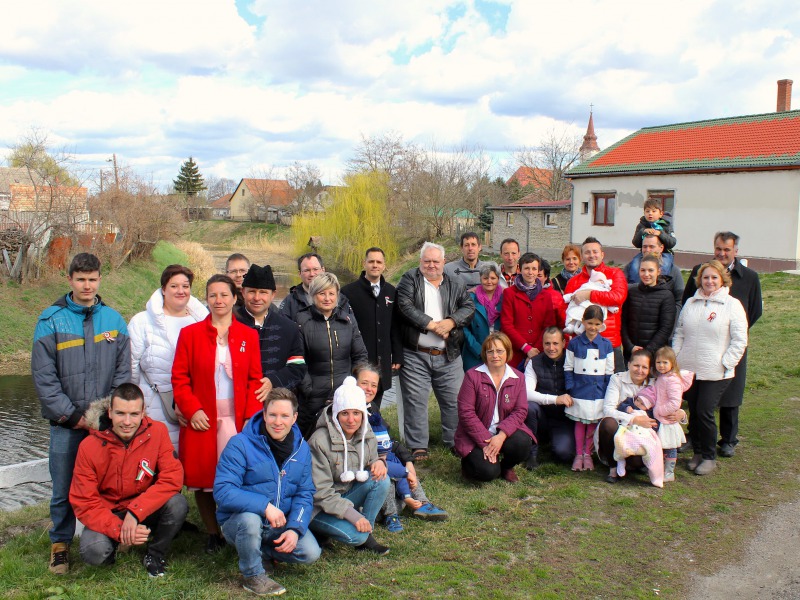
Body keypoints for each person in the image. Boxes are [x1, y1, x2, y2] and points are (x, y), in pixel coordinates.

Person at [32, 252, 131, 574]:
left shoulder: (114, 322)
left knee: (110, 484)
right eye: (80, 279)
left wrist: (106, 415)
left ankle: (109, 535)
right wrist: (73, 416)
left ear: (100, 279)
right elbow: (44, 378)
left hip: (104, 425)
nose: (87, 286)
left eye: (92, 279)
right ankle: (60, 544)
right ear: (70, 280)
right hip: (66, 424)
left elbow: (122, 374)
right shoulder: (51, 320)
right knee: (62, 488)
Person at [172, 274, 264, 553]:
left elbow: (255, 380)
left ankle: (236, 527)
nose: (219, 300)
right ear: (206, 299)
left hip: (237, 419)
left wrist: (251, 417)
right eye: (213, 295)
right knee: (205, 479)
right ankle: (212, 531)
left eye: (224, 295)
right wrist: (192, 408)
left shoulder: (248, 335)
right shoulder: (190, 334)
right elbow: (179, 377)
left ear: (235, 298)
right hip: (203, 418)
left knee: (239, 475)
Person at [69, 384, 187, 577]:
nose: (127, 421)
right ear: (110, 412)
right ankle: (121, 543)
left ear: (143, 413)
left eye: (133, 414)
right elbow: (84, 502)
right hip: (109, 513)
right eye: (120, 413)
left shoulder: (157, 432)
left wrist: (135, 513)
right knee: (94, 553)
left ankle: (155, 554)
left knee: (178, 504)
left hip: (143, 508)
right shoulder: (88, 446)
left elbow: (172, 478)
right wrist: (119, 530)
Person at [214, 388, 320, 597]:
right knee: (250, 522)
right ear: (264, 414)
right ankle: (253, 575)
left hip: (279, 523)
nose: (277, 422)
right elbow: (223, 491)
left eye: (284, 416)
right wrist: (264, 506)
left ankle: (260, 550)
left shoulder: (301, 449)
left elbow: (305, 492)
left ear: (294, 418)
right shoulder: (240, 444)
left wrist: (295, 528)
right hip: (240, 521)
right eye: (272, 415)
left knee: (310, 553)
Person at [682, 231, 762, 457]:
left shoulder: (749, 277)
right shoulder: (701, 270)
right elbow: (687, 301)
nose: (722, 253)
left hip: (731, 345)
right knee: (697, 395)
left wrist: (731, 335)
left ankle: (728, 439)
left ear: (736, 251)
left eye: (727, 249)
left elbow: (754, 311)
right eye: (718, 248)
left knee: (731, 393)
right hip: (700, 345)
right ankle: (694, 436)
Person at [396, 242, 475, 459]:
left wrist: (450, 322)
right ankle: (418, 445)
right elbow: (404, 306)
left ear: (443, 262)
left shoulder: (455, 283)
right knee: (416, 400)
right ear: (421, 261)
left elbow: (468, 307)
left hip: (448, 354)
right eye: (427, 261)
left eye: (436, 261)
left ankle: (454, 440)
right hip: (416, 353)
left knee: (454, 400)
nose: (431, 265)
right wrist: (433, 325)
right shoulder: (409, 279)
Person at [673, 260, 748, 475]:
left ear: (722, 279)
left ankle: (708, 456)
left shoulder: (732, 305)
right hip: (689, 368)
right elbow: (679, 332)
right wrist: (677, 357)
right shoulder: (691, 303)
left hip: (716, 371)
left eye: (714, 277)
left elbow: (739, 339)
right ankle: (697, 451)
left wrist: (726, 362)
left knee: (705, 410)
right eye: (705, 277)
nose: (709, 281)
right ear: (700, 280)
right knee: (694, 411)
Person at [354, 364, 448, 532]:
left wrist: (408, 460)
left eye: (374, 385)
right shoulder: (351, 414)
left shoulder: (372, 408)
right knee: (386, 475)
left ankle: (422, 503)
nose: (369, 389)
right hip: (364, 469)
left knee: (399, 465)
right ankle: (392, 513)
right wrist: (402, 470)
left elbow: (388, 440)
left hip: (381, 460)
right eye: (364, 383)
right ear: (353, 383)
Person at [308, 377, 391, 555]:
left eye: (356, 413)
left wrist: (379, 462)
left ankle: (366, 531)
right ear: (336, 414)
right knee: (356, 536)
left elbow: (372, 458)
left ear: (363, 413)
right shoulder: (319, 441)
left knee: (382, 481)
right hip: (319, 507)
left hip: (347, 494)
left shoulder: (366, 431)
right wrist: (353, 516)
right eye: (345, 413)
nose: (351, 420)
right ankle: (320, 530)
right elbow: (320, 492)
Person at [129, 264, 209, 450]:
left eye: (185, 286)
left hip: (195, 410)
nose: (180, 291)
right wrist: (135, 406)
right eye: (174, 286)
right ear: (163, 289)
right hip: (153, 408)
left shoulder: (203, 322)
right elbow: (130, 368)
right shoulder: (142, 322)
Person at [454, 332, 534, 483]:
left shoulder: (518, 377)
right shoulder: (472, 376)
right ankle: (469, 463)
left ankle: (506, 467)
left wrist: (501, 436)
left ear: (507, 352)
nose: (495, 355)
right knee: (488, 472)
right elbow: (466, 413)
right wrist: (487, 442)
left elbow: (521, 410)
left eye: (499, 351)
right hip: (476, 436)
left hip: (502, 433)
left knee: (522, 443)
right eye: (490, 351)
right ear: (485, 354)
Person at [296, 272, 368, 437]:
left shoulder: (347, 321)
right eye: (322, 293)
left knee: (344, 438)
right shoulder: (302, 322)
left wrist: (353, 386)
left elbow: (360, 355)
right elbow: (298, 360)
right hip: (312, 397)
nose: (327, 298)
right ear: (313, 295)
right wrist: (308, 389)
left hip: (343, 393)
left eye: (331, 293)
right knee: (310, 438)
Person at [340, 247, 403, 409]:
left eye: (379, 262)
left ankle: (375, 432)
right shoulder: (348, 292)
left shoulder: (391, 291)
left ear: (384, 265)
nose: (375, 265)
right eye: (371, 261)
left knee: (376, 405)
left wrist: (396, 355)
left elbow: (395, 326)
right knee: (355, 404)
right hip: (357, 361)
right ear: (364, 263)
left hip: (382, 360)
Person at [235, 264, 307, 395]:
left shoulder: (289, 327)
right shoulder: (229, 323)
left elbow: (297, 367)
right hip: (236, 399)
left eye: (263, 292)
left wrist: (273, 381)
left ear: (273, 295)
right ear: (243, 292)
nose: (257, 298)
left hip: (275, 401)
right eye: (252, 291)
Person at [564, 237, 628, 372]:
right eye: (587, 252)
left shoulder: (615, 274)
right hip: (582, 342)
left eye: (595, 252)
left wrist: (589, 294)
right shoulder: (574, 281)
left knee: (614, 387)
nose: (591, 255)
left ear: (602, 254)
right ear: (582, 256)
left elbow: (618, 298)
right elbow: (567, 311)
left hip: (609, 342)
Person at [596, 349, 659, 484]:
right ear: (629, 364)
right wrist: (633, 419)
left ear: (650, 369)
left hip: (640, 434)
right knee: (608, 423)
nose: (639, 370)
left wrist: (681, 413)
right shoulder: (617, 379)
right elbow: (608, 409)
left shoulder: (654, 384)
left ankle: (637, 463)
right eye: (636, 365)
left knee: (636, 463)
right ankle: (613, 467)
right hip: (618, 430)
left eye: (644, 367)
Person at [564, 305, 615, 472]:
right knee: (579, 423)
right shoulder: (575, 344)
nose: (593, 327)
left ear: (602, 324)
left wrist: (607, 392)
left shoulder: (606, 345)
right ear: (583, 322)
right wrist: (571, 387)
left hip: (597, 391)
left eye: (597, 324)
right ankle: (579, 454)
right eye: (589, 323)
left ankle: (588, 453)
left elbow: (609, 372)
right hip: (579, 390)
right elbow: (568, 367)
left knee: (592, 424)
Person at [635, 347, 693, 482]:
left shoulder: (673, 380)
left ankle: (669, 471)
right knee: (660, 444)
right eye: (658, 362)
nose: (661, 365)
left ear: (672, 363)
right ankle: (658, 467)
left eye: (665, 362)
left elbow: (675, 402)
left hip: (667, 419)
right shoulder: (662, 377)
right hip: (660, 418)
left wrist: (659, 410)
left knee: (670, 446)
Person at [524, 327, 575, 468]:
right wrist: (556, 399)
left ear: (564, 343)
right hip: (542, 417)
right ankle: (531, 454)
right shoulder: (534, 362)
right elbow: (527, 393)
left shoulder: (573, 361)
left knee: (564, 454)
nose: (551, 348)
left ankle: (554, 441)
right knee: (529, 406)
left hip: (564, 419)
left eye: (555, 343)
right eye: (547, 343)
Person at [500, 252, 558, 370]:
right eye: (526, 268)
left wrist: (534, 351)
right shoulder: (510, 293)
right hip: (515, 352)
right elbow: (507, 325)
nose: (530, 272)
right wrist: (526, 348)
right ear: (519, 270)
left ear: (538, 271)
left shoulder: (545, 296)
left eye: (534, 269)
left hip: (538, 352)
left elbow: (548, 326)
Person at [620, 253, 677, 362]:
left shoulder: (666, 296)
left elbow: (665, 328)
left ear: (658, 271)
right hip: (631, 353)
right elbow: (623, 322)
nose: (646, 274)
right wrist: (629, 346)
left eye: (651, 270)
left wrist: (648, 351)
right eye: (643, 270)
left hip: (654, 355)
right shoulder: (631, 292)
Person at [280, 253, 351, 321]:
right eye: (307, 270)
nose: (312, 274)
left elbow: (352, 328)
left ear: (323, 270)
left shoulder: (341, 300)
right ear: (300, 273)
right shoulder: (290, 302)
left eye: (315, 269)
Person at [623, 234, 684, 312]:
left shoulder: (673, 271)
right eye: (644, 246)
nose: (647, 250)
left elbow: (679, 300)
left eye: (651, 247)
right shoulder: (631, 268)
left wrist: (672, 319)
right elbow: (621, 289)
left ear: (661, 248)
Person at [462, 264, 503, 371]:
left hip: (499, 352)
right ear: (480, 278)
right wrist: (478, 349)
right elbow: (464, 327)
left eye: (493, 278)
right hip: (475, 353)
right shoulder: (470, 298)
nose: (489, 281)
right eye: (485, 278)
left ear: (498, 279)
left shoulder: (505, 297)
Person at [628, 199, 677, 280]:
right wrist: (642, 232)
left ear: (661, 213)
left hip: (664, 253)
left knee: (665, 265)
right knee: (635, 264)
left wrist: (660, 234)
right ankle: (636, 284)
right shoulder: (641, 226)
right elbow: (635, 243)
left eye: (654, 211)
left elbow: (672, 242)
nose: (650, 213)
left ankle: (661, 283)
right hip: (645, 254)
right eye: (647, 211)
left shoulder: (666, 225)